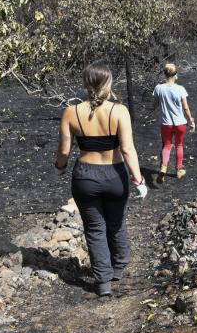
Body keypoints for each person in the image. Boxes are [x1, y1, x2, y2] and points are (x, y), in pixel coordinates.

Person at [55, 63, 147, 297]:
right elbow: (127, 149)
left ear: (86, 84)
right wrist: (138, 179)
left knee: (95, 229)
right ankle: (119, 263)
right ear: (108, 84)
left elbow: (64, 152)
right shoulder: (119, 111)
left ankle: (103, 281)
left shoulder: (70, 112)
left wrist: (60, 167)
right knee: (116, 221)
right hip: (115, 174)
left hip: (85, 176)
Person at [152, 63, 195, 183]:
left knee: (166, 145)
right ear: (176, 74)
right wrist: (190, 120)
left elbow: (155, 105)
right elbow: (185, 108)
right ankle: (179, 169)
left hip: (166, 123)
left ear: (164, 74)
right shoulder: (180, 89)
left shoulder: (158, 88)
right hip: (180, 123)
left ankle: (163, 167)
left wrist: (157, 105)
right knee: (179, 145)